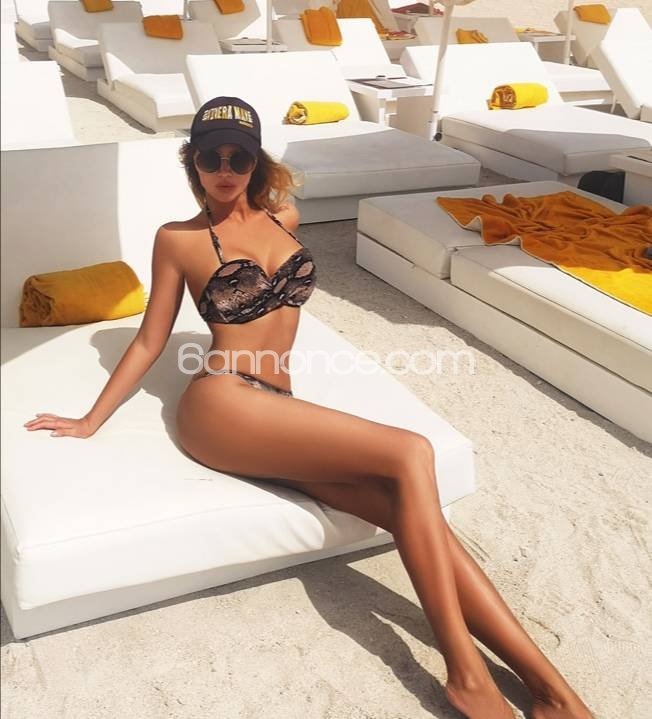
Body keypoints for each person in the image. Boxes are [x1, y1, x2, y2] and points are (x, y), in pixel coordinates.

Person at [23, 96, 594, 719]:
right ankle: (466, 674)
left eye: (238, 157)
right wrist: (89, 420)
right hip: (220, 403)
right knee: (412, 451)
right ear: (192, 162)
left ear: (255, 162)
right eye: (210, 157)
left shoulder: (286, 219)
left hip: (275, 406)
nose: (224, 170)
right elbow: (149, 340)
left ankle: (552, 692)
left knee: (411, 513)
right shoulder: (178, 239)